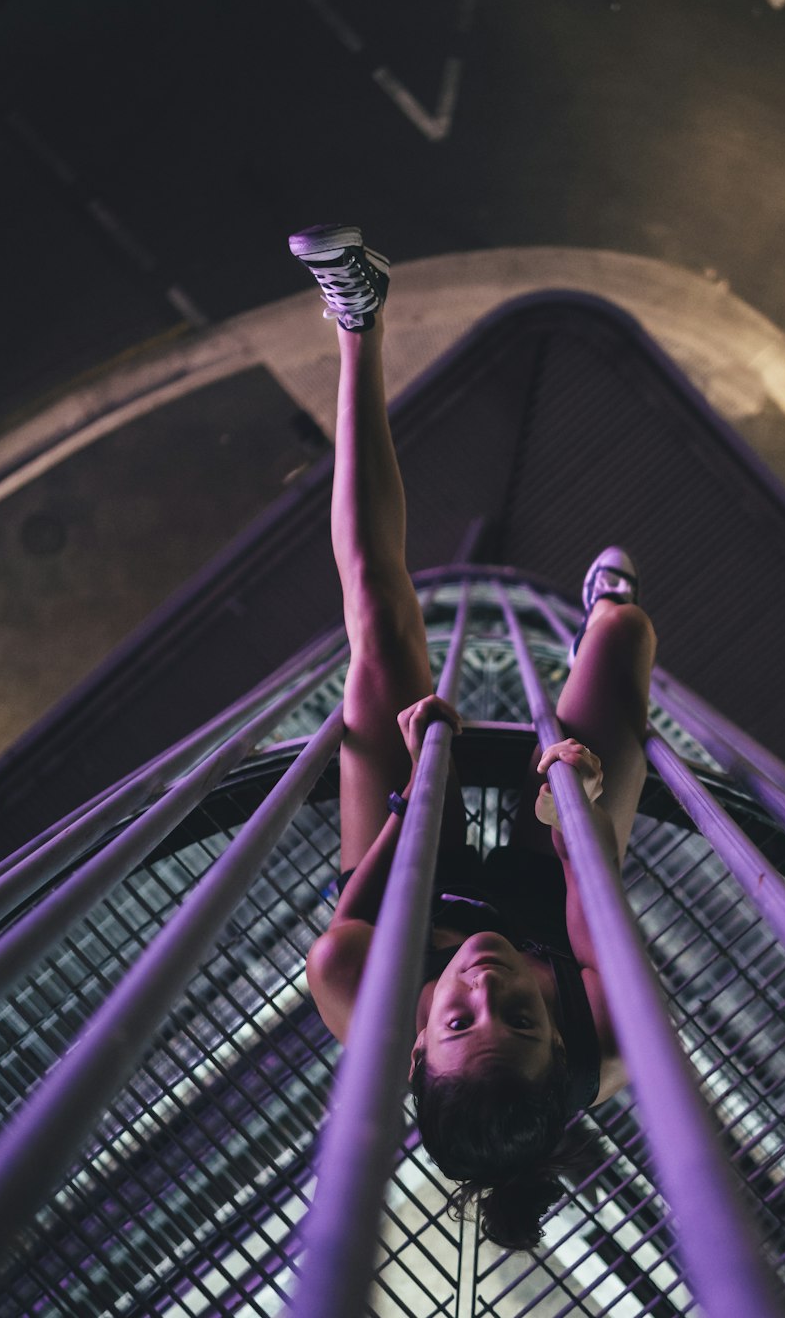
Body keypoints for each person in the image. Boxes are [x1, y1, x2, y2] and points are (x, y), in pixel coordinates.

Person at [293, 224, 657, 1249]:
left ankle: (355, 321)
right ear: (559, 1036)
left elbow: (349, 926)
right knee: (625, 634)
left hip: (414, 868)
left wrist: (417, 778)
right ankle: (602, 607)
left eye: (458, 1021)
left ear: (414, 1048)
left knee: (376, 624)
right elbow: (591, 903)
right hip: (553, 864)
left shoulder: (361, 1002)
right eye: (522, 1016)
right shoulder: (610, 1045)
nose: (484, 986)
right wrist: (571, 800)